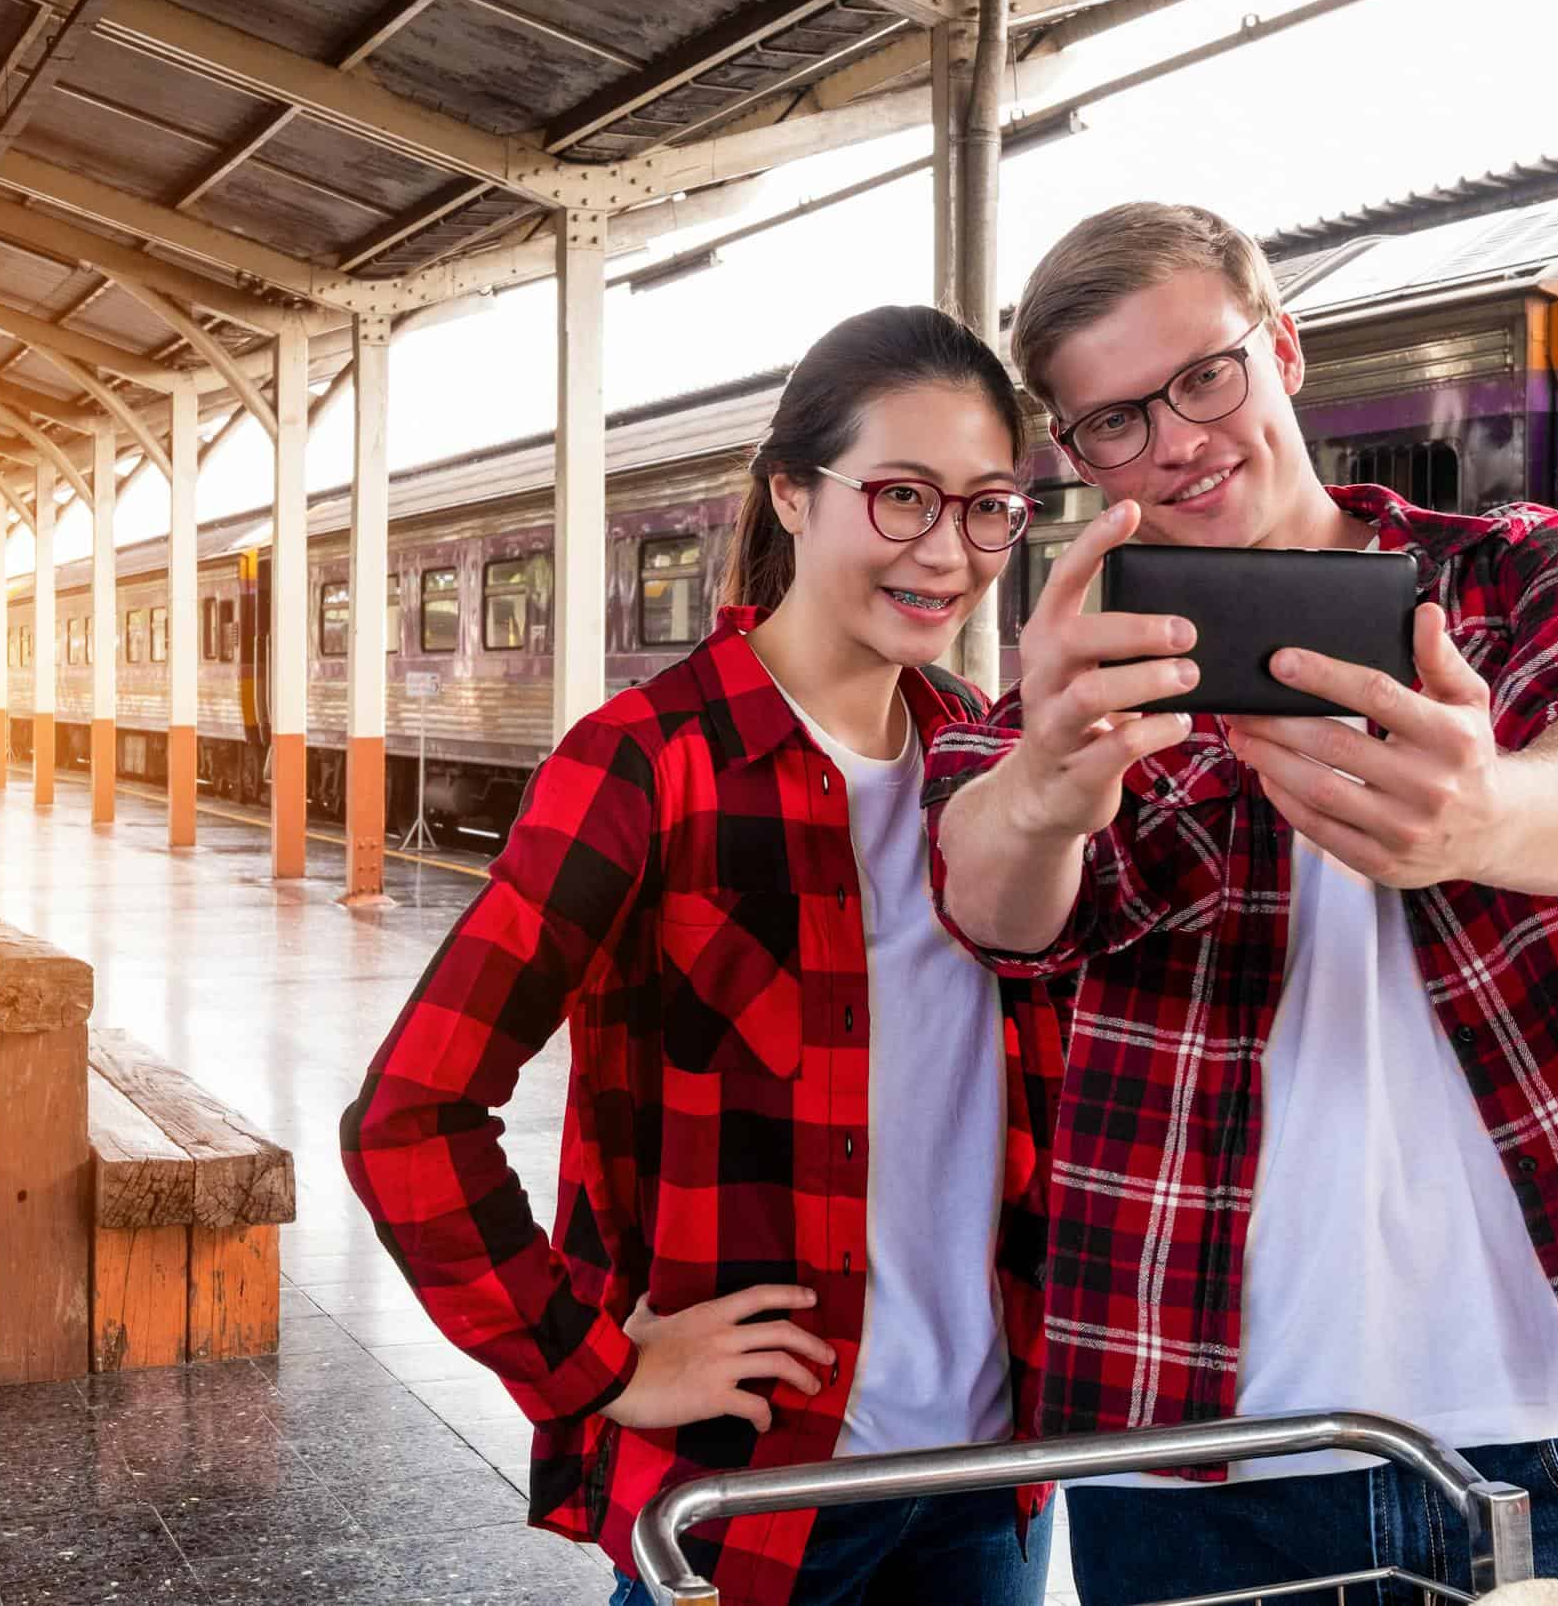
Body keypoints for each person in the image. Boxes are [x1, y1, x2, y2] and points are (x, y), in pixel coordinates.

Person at [926, 203, 1558, 1605]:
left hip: (1551, 1422)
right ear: (1077, 459)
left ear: (1282, 352)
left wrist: (1482, 815)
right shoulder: (1059, 696)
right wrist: (1056, 782)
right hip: (1186, 1450)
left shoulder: (1526, 569)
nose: (1177, 439)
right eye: (1114, 421)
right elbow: (996, 896)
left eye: (1204, 376)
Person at [343, 306, 1067, 1606]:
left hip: (990, 1487)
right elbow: (411, 1112)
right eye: (900, 497)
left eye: (986, 508)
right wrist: (601, 1371)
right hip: (763, 1493)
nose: (946, 550)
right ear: (790, 492)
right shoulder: (647, 762)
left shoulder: (994, 762)